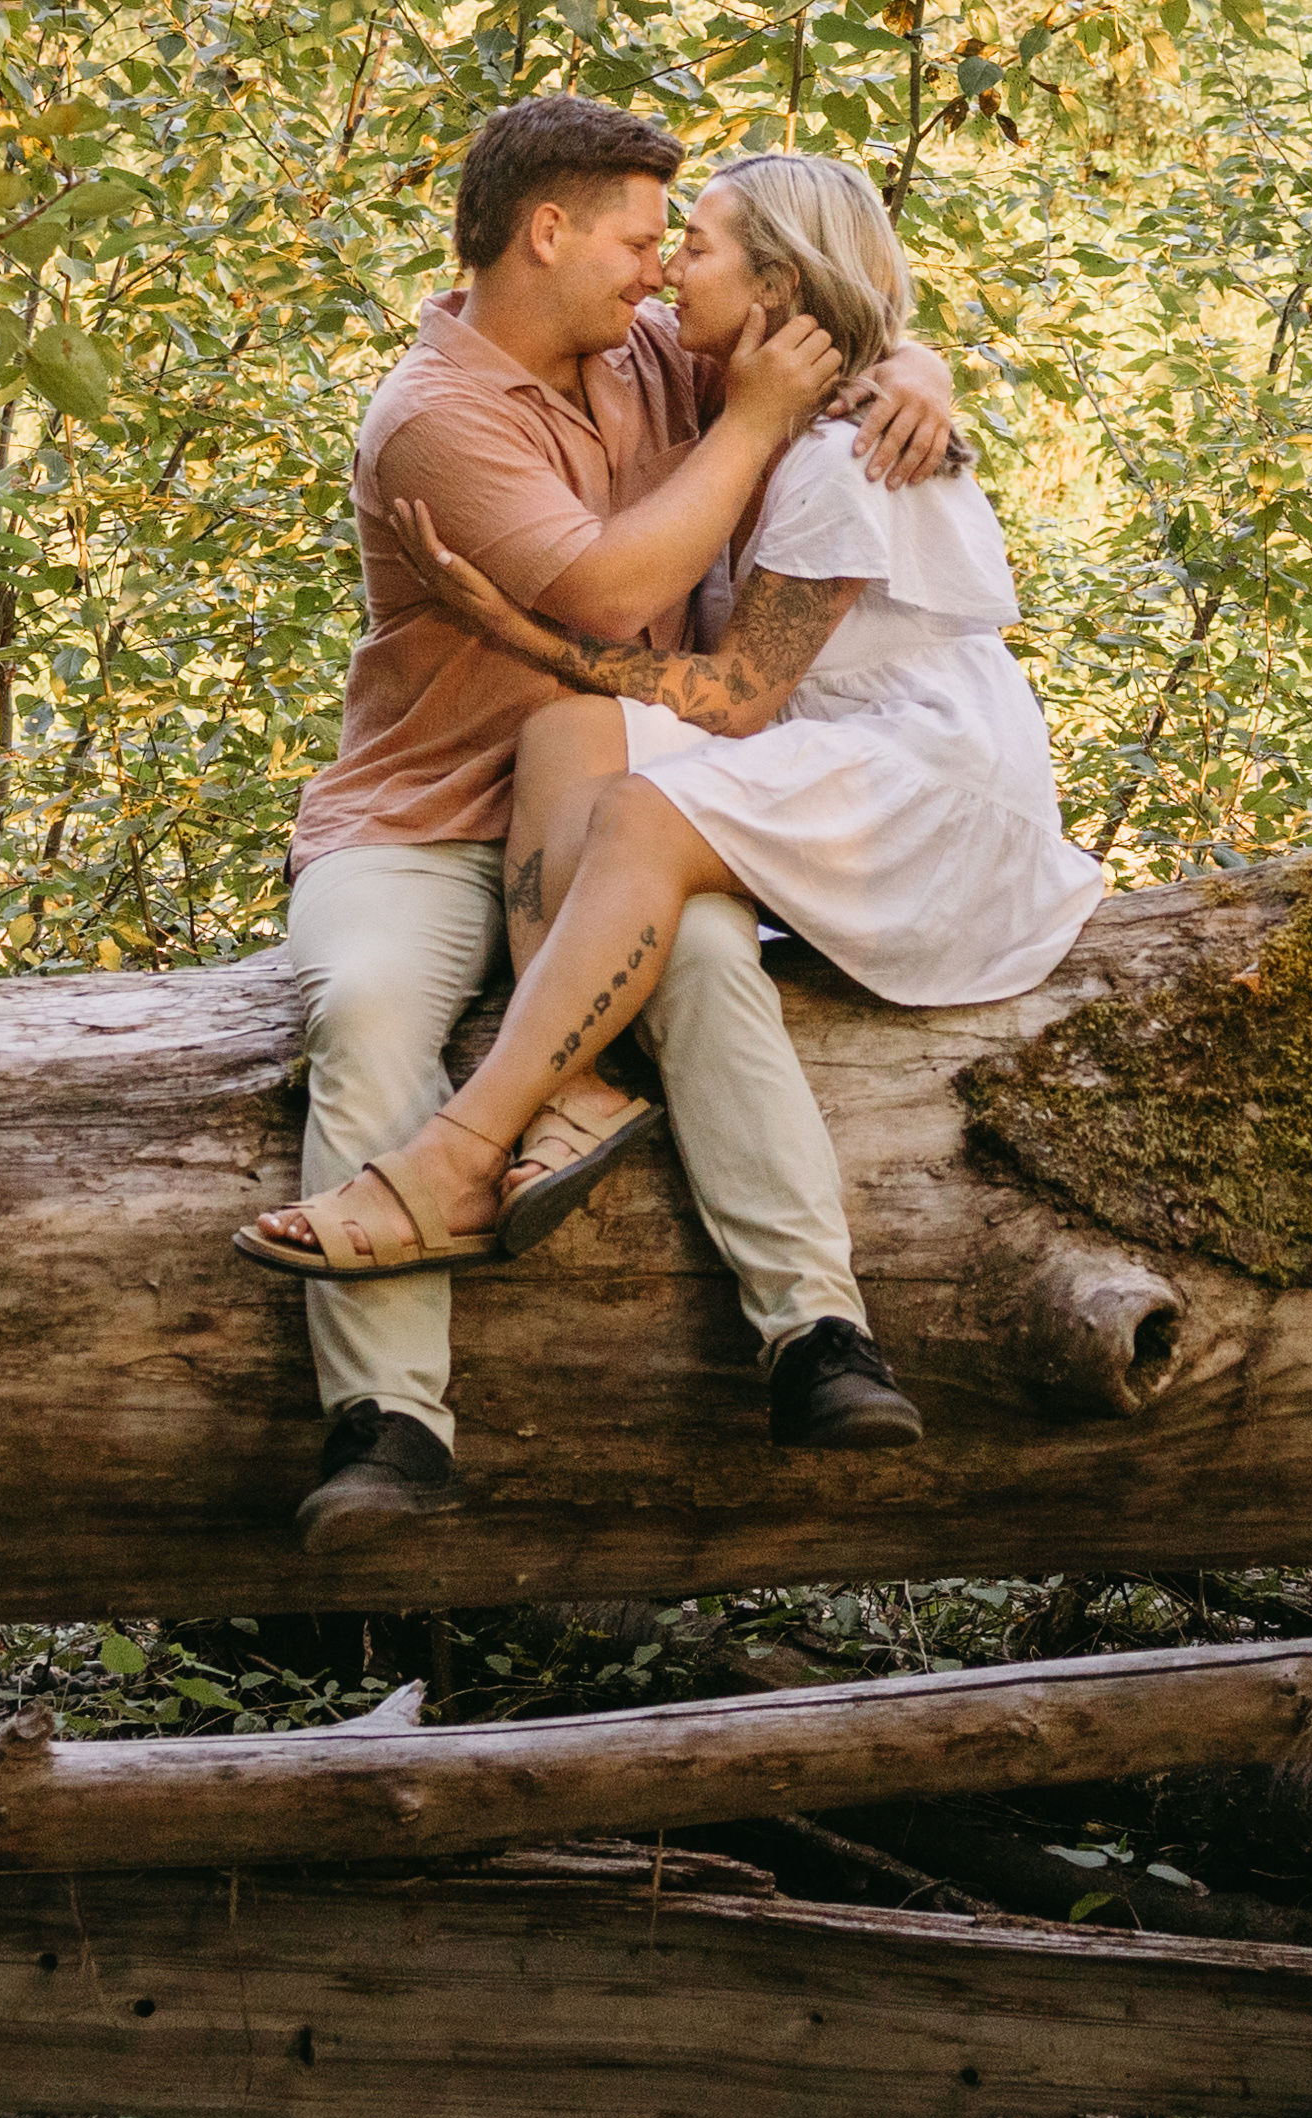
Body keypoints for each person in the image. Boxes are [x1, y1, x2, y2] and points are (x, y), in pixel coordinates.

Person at [240, 96, 945, 1548]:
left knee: (701, 964)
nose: (655, 272)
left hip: (622, 806)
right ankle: (388, 1428)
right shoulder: (433, 420)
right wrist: (751, 419)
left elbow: (831, 332)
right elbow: (613, 596)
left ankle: (817, 1338)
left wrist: (914, 364)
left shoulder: (641, 354)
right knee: (366, 1012)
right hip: (424, 820)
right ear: (543, 232)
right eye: (636, 241)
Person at [400, 148, 1107, 1047]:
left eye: (692, 249)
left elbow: (735, 698)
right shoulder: (732, 388)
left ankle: (484, 1126)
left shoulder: (849, 454)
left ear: (774, 284)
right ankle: (568, 1097)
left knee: (649, 839)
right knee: (570, 736)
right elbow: (851, 331)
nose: (662, 278)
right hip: (822, 754)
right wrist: (903, 361)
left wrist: (510, 628)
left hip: (919, 784)